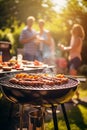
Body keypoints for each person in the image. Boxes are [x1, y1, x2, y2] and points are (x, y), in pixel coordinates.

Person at [58, 24, 85, 99]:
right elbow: (71, 49)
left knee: (72, 76)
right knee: (73, 77)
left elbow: (72, 48)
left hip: (76, 59)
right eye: (74, 29)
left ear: (79, 31)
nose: (74, 31)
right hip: (72, 59)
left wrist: (63, 48)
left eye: (76, 30)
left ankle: (71, 96)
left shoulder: (78, 39)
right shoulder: (73, 38)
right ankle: (77, 94)